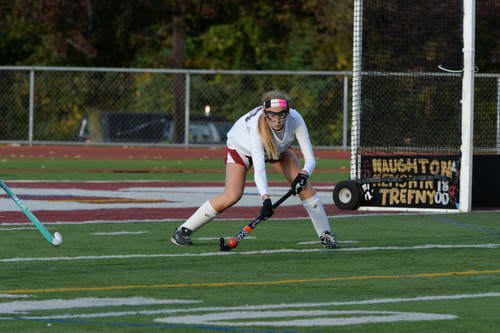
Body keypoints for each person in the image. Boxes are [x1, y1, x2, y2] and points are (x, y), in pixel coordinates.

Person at [171, 90, 339, 249]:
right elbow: (259, 169)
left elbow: (310, 158)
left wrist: (304, 174)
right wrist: (265, 199)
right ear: (265, 113)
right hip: (242, 149)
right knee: (232, 195)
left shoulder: (296, 119)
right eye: (272, 115)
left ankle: (326, 235)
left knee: (305, 187)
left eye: (281, 114)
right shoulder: (255, 128)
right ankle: (183, 230)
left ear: (288, 112)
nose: (278, 120)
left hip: (276, 149)